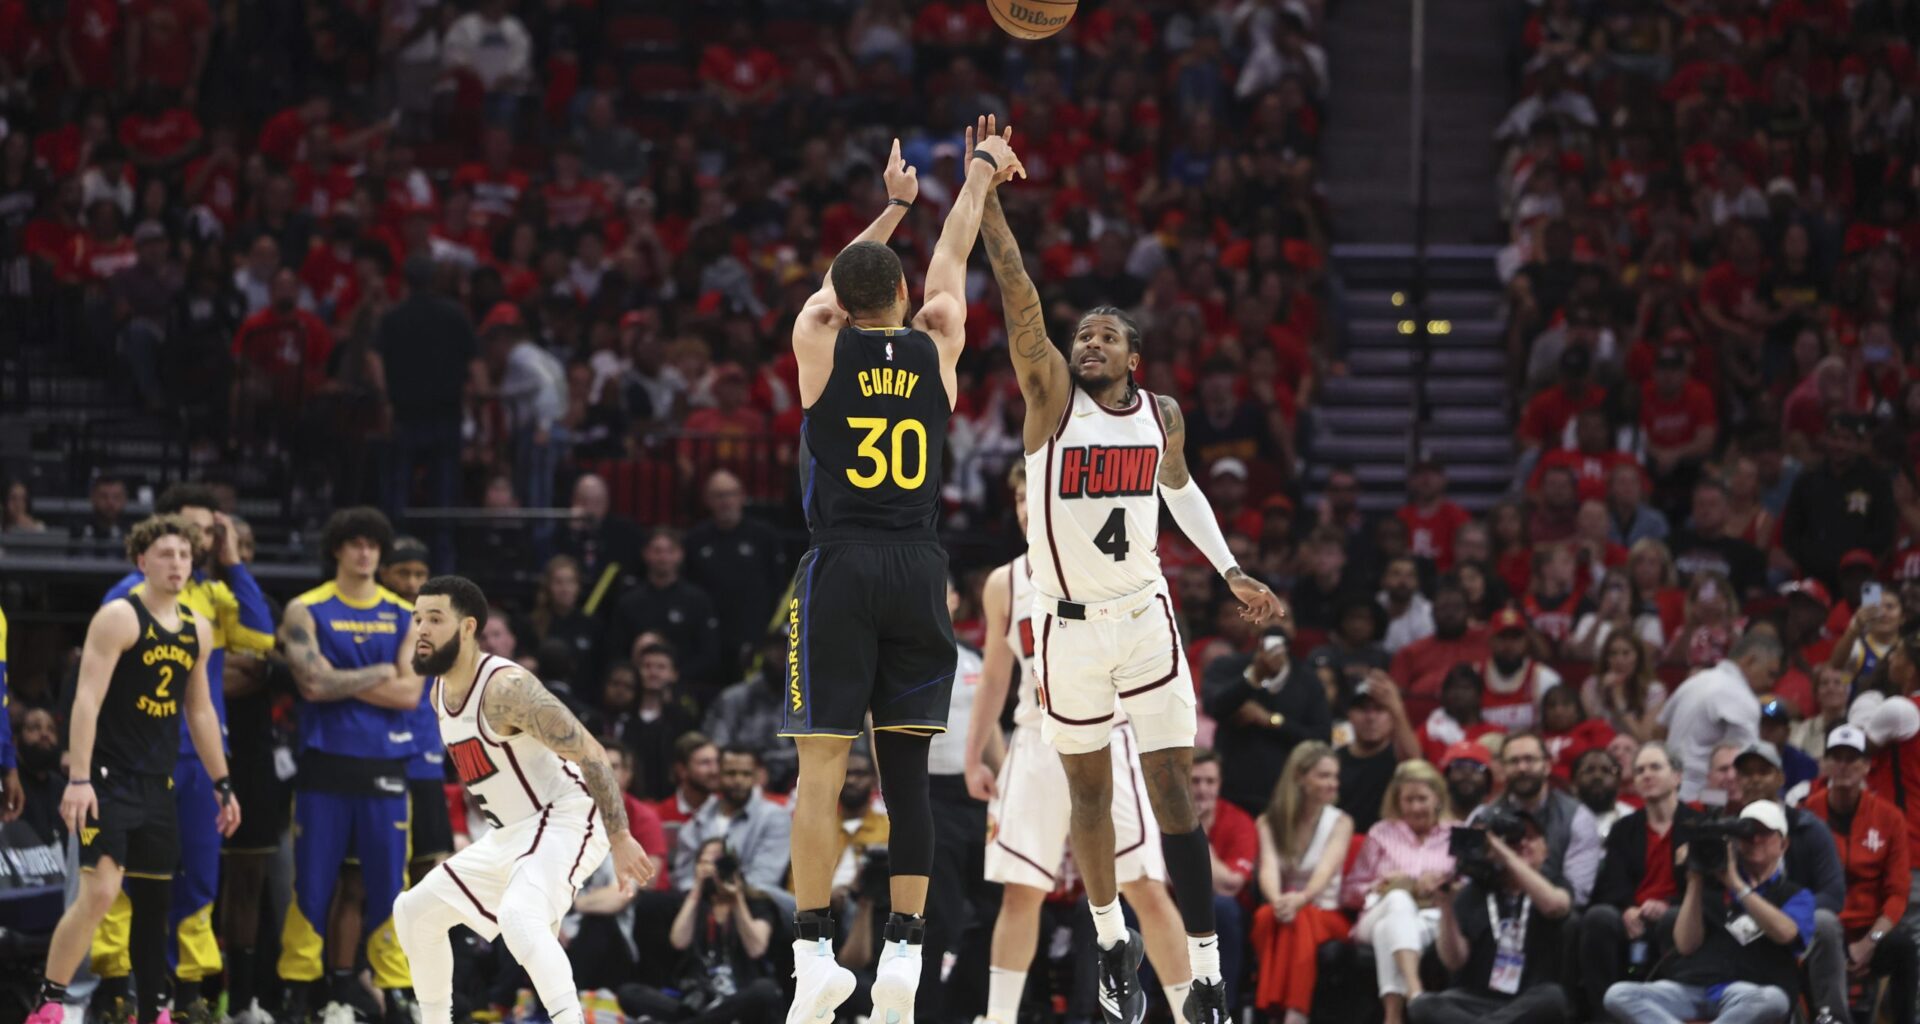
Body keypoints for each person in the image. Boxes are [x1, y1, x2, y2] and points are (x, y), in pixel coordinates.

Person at [978, 112, 1283, 1024]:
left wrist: (1230, 571)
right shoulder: (1049, 403)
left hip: (1146, 615)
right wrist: (989, 199)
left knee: (1172, 793)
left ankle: (1204, 966)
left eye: (1108, 336)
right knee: (1089, 796)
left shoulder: (1163, 415)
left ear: (1134, 356)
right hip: (1066, 629)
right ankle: (1108, 934)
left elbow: (1180, 493)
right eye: (1086, 335)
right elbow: (1017, 293)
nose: (1090, 342)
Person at [964, 463, 1192, 1024]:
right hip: (1036, 741)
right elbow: (995, 677)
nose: (1024, 508)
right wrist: (973, 755)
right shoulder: (1003, 583)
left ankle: (1194, 1013)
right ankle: (998, 1018)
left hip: (1107, 737)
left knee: (1144, 885)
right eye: (1018, 499)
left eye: (1033, 498)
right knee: (1020, 889)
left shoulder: (1105, 562)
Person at [391, 575, 652, 1024]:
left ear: (468, 627)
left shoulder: (506, 688)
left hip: (567, 812)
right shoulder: (438, 691)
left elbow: (591, 751)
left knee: (518, 915)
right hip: (512, 833)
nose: (422, 630)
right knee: (414, 911)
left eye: (435, 619)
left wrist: (621, 834)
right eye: (417, 619)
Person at [24, 516, 241, 1024]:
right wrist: (78, 778)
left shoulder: (197, 629)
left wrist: (222, 782)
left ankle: (151, 1012)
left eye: (185, 556)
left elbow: (201, 711)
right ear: (142, 561)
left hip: (158, 784)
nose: (178, 564)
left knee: (154, 901)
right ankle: (50, 1000)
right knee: (99, 892)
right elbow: (86, 700)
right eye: (166, 555)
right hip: (106, 780)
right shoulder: (119, 617)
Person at [93, 484, 273, 1024]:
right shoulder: (127, 594)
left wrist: (233, 561)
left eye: (205, 535)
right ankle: (115, 984)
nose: (193, 543)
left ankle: (190, 985)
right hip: (137, 755)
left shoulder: (215, 595)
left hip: (199, 756)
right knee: (125, 876)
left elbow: (261, 638)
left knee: (197, 874)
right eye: (186, 531)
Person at [274, 507, 427, 1024]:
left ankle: (396, 988)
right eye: (355, 543)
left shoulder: (406, 615)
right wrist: (381, 670)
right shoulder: (305, 609)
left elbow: (410, 694)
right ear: (337, 549)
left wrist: (348, 677)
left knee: (390, 884)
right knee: (312, 883)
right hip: (324, 764)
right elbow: (311, 683)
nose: (364, 553)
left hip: (385, 766)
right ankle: (298, 987)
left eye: (373, 545)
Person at [1600, 801, 1814, 1024]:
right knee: (1618, 994)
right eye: (1747, 833)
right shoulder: (1712, 886)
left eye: (1764, 833)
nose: (1755, 840)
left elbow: (1786, 933)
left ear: (1784, 844)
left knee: (1774, 999)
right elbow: (1685, 944)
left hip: (1749, 991)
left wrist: (1737, 885)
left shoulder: (1794, 894)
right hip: (1694, 987)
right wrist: (1695, 880)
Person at [1579, 742, 1704, 1017]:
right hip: (1633, 915)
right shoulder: (1623, 829)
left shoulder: (1698, 826)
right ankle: (1604, 1016)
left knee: (1673, 919)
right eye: (1639, 770)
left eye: (1655, 767)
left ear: (1677, 776)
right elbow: (1611, 884)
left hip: (1678, 913)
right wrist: (1626, 909)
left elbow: (1707, 887)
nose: (1646, 775)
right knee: (1598, 918)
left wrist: (1667, 904)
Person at [1414, 811, 1574, 1024]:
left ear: (1546, 849)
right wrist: (1446, 906)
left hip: (1528, 1000)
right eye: (1514, 840)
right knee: (1422, 1005)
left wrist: (1505, 854)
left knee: (1554, 998)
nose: (1522, 844)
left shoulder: (1555, 882)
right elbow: (1454, 961)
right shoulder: (1474, 892)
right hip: (1477, 1001)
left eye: (1531, 837)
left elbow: (1555, 906)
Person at [1801, 725, 1914, 1024]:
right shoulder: (1807, 815)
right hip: (1824, 931)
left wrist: (1870, 941)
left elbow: (1898, 892)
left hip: (1870, 931)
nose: (1844, 765)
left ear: (1866, 766)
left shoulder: (1890, 817)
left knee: (1904, 947)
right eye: (1836, 757)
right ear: (1824, 764)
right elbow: (1800, 885)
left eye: (1852, 758)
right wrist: (1835, 947)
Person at [1340, 760, 1456, 1024]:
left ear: (1437, 797)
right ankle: (1416, 995)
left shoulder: (1455, 834)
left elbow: (1468, 888)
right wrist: (1380, 884)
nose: (1415, 807)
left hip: (1432, 918)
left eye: (1422, 799)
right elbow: (1348, 893)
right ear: (1397, 801)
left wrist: (1442, 884)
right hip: (1376, 914)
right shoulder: (1381, 833)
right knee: (1397, 900)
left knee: (1389, 931)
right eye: (1408, 800)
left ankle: (1393, 1017)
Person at [1248, 742, 1354, 1024]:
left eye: (1334, 776)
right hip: (1285, 908)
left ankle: (1287, 1013)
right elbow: (1268, 869)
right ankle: (1288, 1013)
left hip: (1327, 913)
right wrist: (1279, 900)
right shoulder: (1269, 821)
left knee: (1299, 919)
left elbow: (1326, 872)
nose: (1333, 784)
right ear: (1299, 777)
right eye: (1324, 776)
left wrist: (1301, 898)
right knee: (1266, 915)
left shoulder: (1341, 822)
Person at [383, 535, 453, 896]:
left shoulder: (444, 627)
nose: (412, 583)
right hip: (382, 757)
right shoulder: (379, 621)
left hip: (426, 760)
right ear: (383, 573)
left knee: (429, 868)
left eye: (419, 574)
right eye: (402, 573)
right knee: (371, 875)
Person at [1202, 627, 1333, 815]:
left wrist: (1270, 720)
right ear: (1254, 629)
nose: (1276, 623)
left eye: (1283, 617)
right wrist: (1252, 677)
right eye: (1268, 615)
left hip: (1286, 799)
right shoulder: (1227, 666)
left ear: (1294, 630)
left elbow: (1321, 739)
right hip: (1231, 793)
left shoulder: (1309, 680)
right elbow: (1214, 706)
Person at [1475, 731, 1602, 906]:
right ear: (1503, 768)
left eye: (1530, 759)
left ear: (1547, 765)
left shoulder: (1577, 817)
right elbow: (1466, 881)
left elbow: (1578, 895)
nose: (1522, 768)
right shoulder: (1482, 816)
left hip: (1555, 914)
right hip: (1496, 908)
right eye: (1514, 761)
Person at [683, 469, 787, 678]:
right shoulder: (694, 539)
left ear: (741, 496)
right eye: (719, 495)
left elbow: (779, 584)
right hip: (709, 635)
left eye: (731, 494)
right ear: (707, 500)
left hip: (754, 632)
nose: (726, 501)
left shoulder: (764, 536)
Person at [1659, 628, 1782, 800]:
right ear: (1750, 661)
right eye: (1770, 674)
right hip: (1704, 796)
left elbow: (1658, 730)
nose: (1771, 683)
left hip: (1670, 789)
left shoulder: (1694, 682)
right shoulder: (1740, 696)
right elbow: (1749, 762)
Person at [670, 748, 792, 897]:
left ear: (756, 777)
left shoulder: (774, 816)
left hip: (755, 902)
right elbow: (685, 879)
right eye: (731, 773)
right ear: (718, 775)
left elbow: (764, 880)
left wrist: (727, 893)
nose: (738, 781)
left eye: (746, 774)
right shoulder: (699, 819)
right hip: (702, 900)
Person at [1389, 581, 1490, 723]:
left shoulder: (1487, 644)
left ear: (1468, 611)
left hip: (1478, 726)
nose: (1450, 614)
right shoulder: (1410, 652)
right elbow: (1394, 698)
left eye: (1456, 608)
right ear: (1432, 612)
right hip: (1421, 729)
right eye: (1443, 608)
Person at [1339, 675, 1422, 835]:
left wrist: (1396, 708)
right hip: (1343, 843)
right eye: (1363, 709)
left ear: (1392, 716)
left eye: (1380, 709)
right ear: (1350, 715)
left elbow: (1415, 764)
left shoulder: (1398, 757)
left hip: (1388, 845)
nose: (1371, 717)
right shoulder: (1335, 760)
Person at [1478, 609, 1563, 730]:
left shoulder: (1544, 678)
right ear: (1491, 641)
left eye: (1515, 638)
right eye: (1503, 637)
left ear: (1526, 642)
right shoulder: (1475, 676)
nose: (1509, 645)